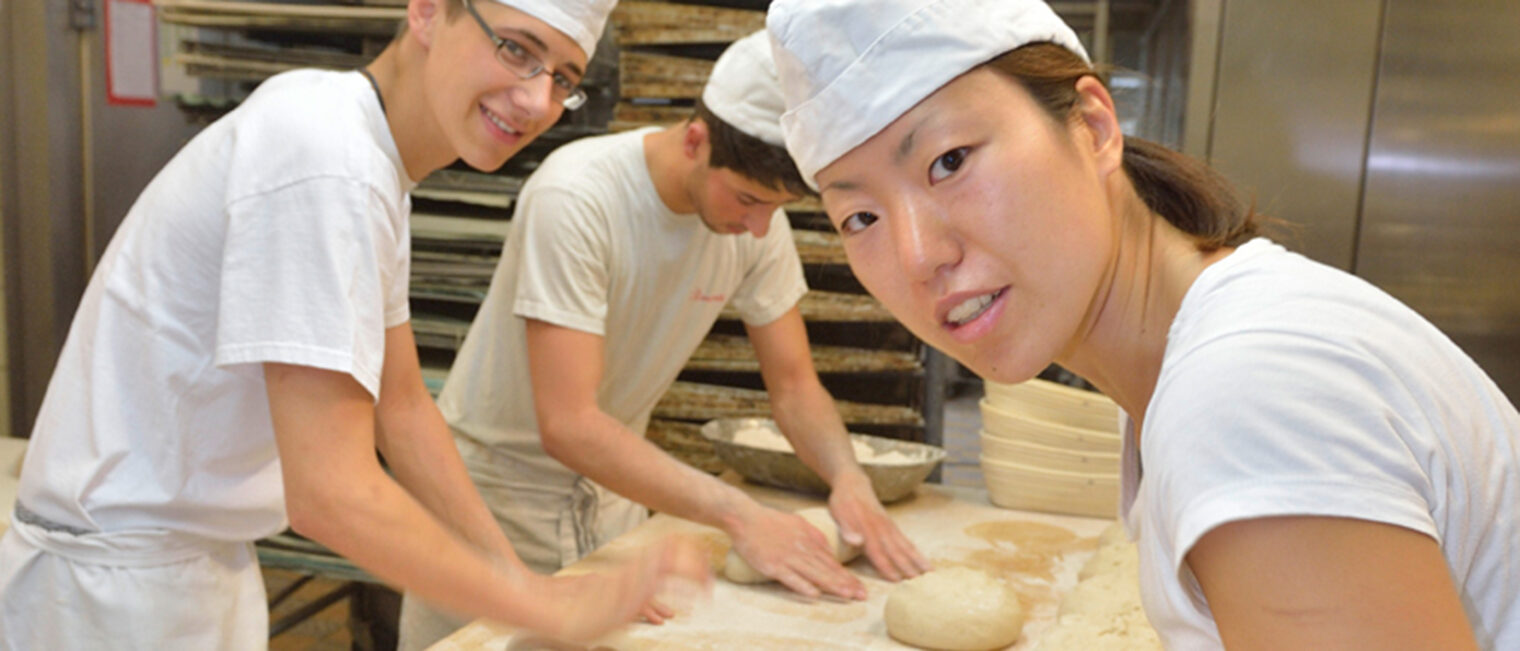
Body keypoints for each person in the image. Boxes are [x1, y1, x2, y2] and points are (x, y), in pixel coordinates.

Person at [766, 0, 1520, 649]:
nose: (919, 254)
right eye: (859, 215)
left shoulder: (1247, 388)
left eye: (949, 160)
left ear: (1093, 126)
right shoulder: (1206, 357)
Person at [0, 0, 712, 648]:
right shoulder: (326, 158)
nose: (535, 99)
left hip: (182, 571)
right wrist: (545, 612)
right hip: (114, 601)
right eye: (516, 49)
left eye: (563, 77)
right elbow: (331, 493)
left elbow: (400, 408)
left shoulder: (362, 152)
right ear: (429, 12)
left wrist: (521, 580)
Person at [399, 30, 932, 649]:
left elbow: (792, 385)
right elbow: (568, 423)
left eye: (778, 209)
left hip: (615, 505)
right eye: (749, 199)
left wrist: (848, 478)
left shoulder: (756, 226)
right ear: (696, 140)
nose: (758, 228)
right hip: (495, 510)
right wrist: (740, 514)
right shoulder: (578, 197)